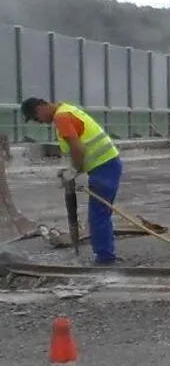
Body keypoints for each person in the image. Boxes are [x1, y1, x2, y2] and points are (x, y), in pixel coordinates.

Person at [21, 97, 124, 265]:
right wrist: (73, 169)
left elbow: (78, 148)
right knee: (102, 212)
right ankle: (106, 253)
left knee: (98, 214)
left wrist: (74, 170)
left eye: (35, 118)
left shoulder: (62, 117)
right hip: (107, 165)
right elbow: (81, 148)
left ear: (40, 107)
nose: (38, 122)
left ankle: (105, 258)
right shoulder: (66, 110)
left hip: (104, 167)